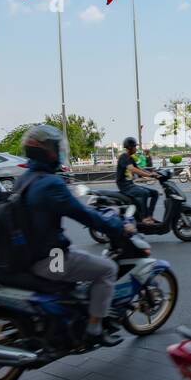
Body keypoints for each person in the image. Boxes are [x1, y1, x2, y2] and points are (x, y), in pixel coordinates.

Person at [20, 124, 133, 346]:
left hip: (26, 255)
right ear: (47, 152)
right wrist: (118, 226)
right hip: (51, 258)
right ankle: (94, 328)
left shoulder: (24, 179)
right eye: (55, 148)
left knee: (79, 262)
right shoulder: (50, 183)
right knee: (107, 269)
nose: (58, 152)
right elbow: (84, 215)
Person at [116, 136, 159, 224]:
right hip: (124, 186)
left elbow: (139, 169)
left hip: (130, 185)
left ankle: (150, 216)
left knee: (155, 193)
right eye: (135, 146)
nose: (136, 148)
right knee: (144, 193)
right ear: (130, 147)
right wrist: (149, 175)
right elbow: (133, 169)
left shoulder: (131, 158)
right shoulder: (123, 157)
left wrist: (153, 173)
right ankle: (144, 218)